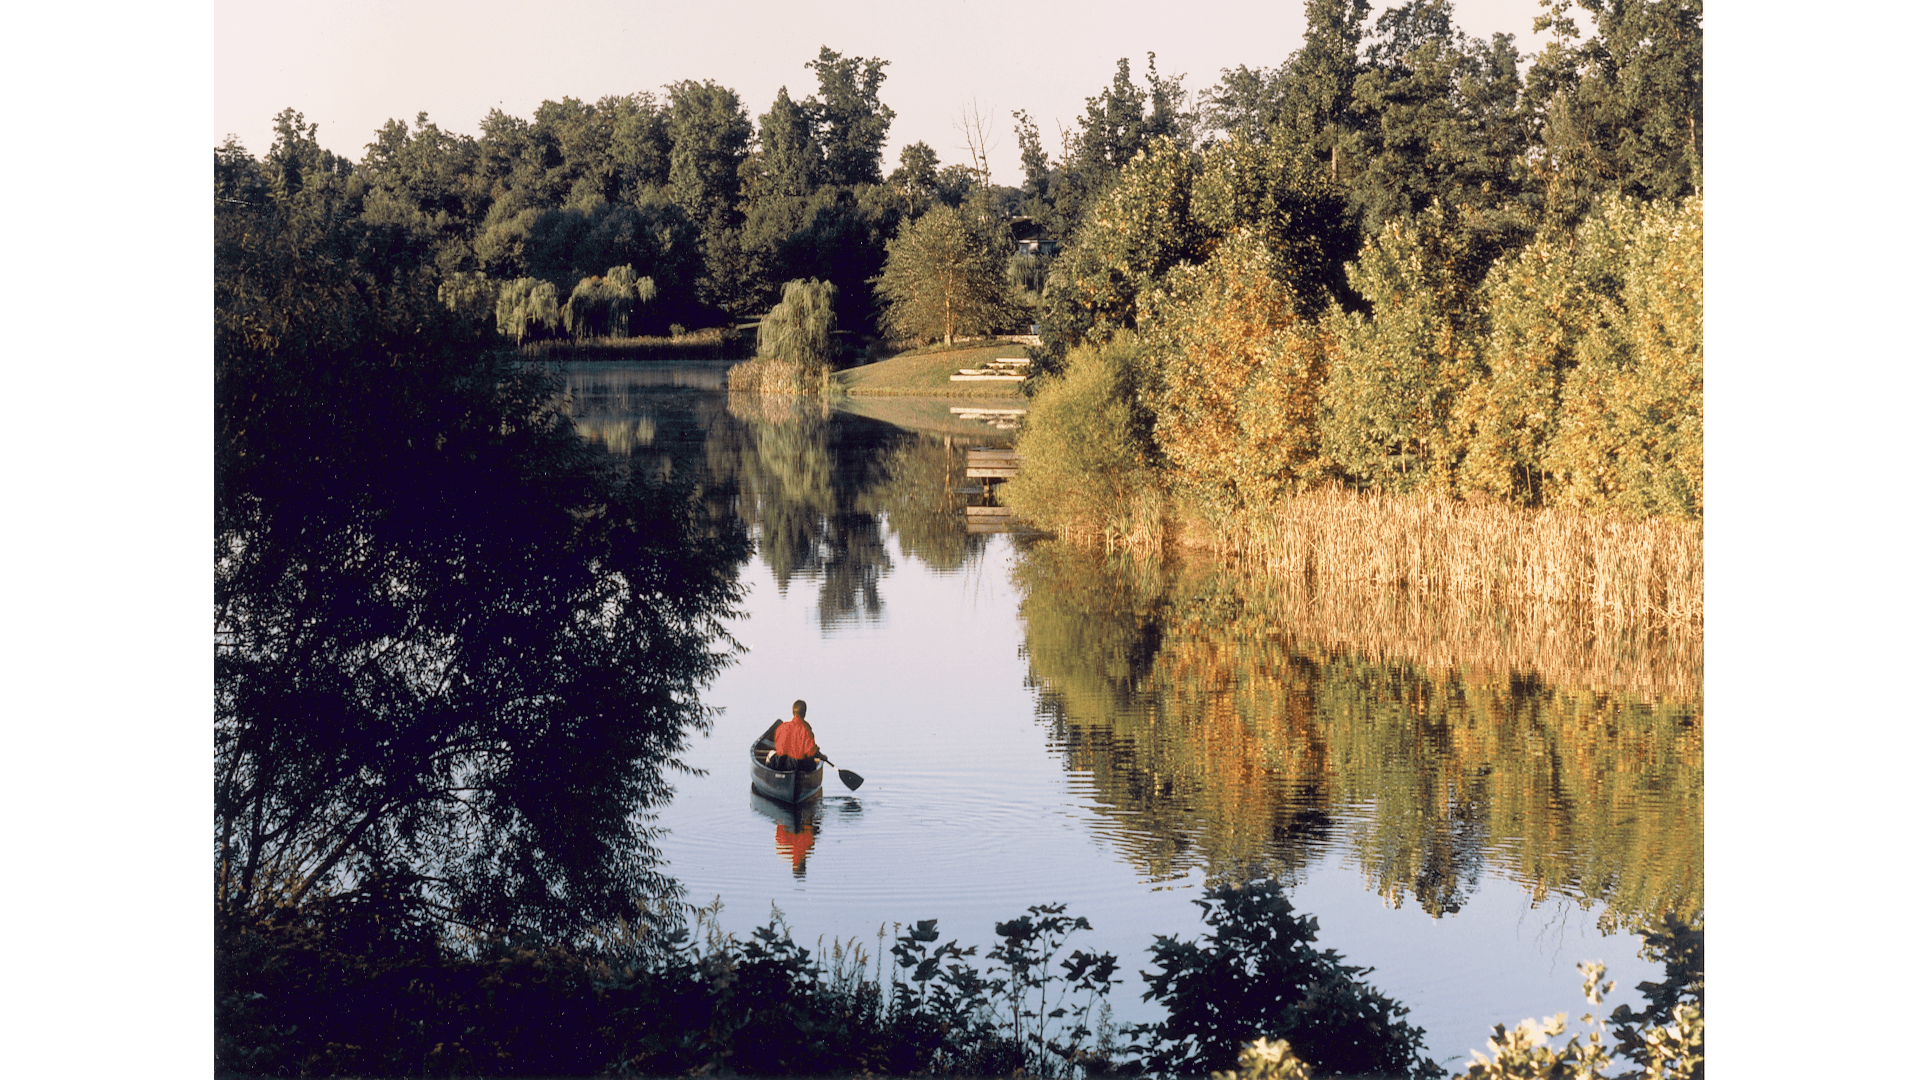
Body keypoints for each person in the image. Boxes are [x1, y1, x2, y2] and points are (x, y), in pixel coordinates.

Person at [765, 699, 824, 773]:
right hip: (799, 766)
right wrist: (819, 755)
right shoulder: (806, 730)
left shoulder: (782, 727)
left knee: (771, 754)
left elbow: (778, 746)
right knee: (811, 761)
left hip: (782, 764)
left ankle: (769, 775)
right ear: (804, 713)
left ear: (793, 712)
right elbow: (810, 751)